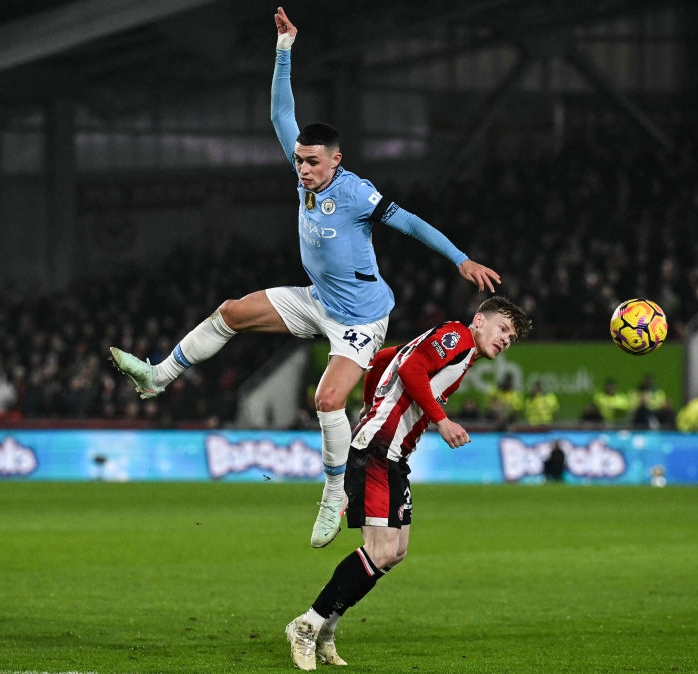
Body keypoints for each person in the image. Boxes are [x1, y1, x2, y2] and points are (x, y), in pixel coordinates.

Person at [109, 7, 500, 549]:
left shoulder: (356, 192)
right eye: (298, 161)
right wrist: (285, 48)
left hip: (362, 319)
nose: (303, 169)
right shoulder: (305, 178)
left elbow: (407, 221)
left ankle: (335, 492)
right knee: (231, 312)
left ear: (336, 160)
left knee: (326, 400)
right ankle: (157, 377)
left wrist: (460, 259)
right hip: (318, 300)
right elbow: (279, 113)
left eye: (313, 162)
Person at [283, 297, 530, 670]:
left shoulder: (456, 349)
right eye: (503, 329)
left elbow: (382, 359)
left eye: (511, 338)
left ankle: (325, 628)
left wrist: (370, 405)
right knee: (379, 551)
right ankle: (308, 626)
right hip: (378, 452)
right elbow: (412, 366)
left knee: (395, 552)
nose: (506, 340)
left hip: (393, 457)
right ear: (479, 320)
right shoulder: (457, 337)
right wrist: (441, 420)